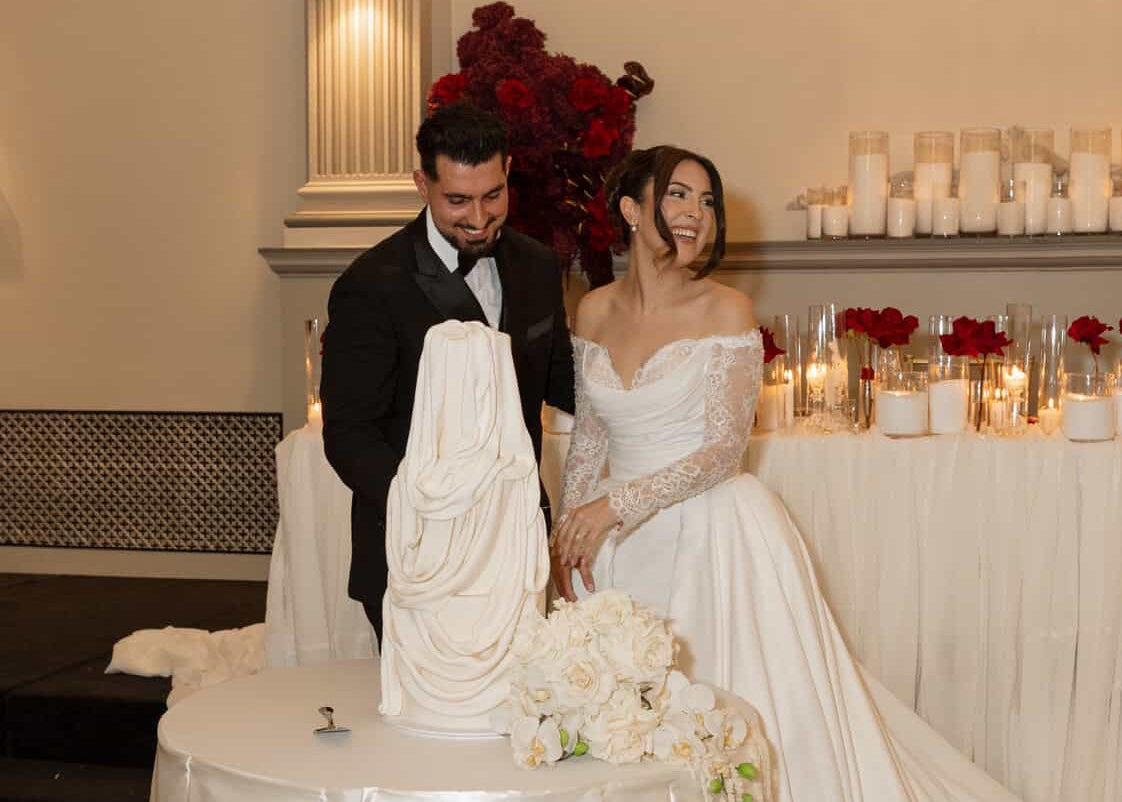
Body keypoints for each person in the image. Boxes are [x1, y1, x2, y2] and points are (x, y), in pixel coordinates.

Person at [550, 146, 1022, 801]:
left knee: (725, 716)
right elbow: (592, 436)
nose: (697, 214)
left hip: (712, 536)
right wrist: (571, 530)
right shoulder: (594, 309)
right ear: (632, 209)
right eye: (679, 195)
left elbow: (721, 450)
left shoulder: (727, 310)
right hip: (617, 546)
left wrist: (616, 506)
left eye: (707, 201)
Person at [321, 102, 575, 639]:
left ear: (508, 174)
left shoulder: (537, 266)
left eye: (493, 195)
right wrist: (432, 511)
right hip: (415, 553)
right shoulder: (371, 284)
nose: (479, 218)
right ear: (422, 183)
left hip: (516, 544)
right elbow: (348, 435)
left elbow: (561, 385)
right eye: (457, 200)